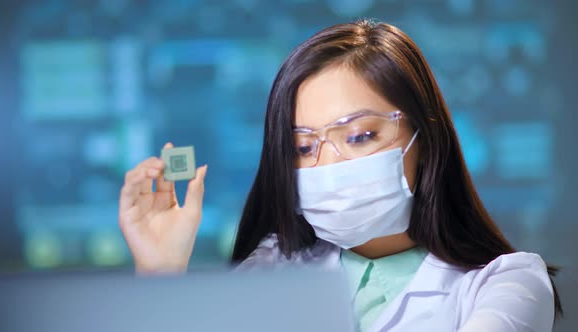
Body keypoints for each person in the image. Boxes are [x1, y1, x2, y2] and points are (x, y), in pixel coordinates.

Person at [118, 19, 562, 331]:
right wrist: (160, 275)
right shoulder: (271, 269)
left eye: (361, 135)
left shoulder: (507, 284)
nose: (328, 165)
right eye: (303, 147)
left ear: (423, 137)